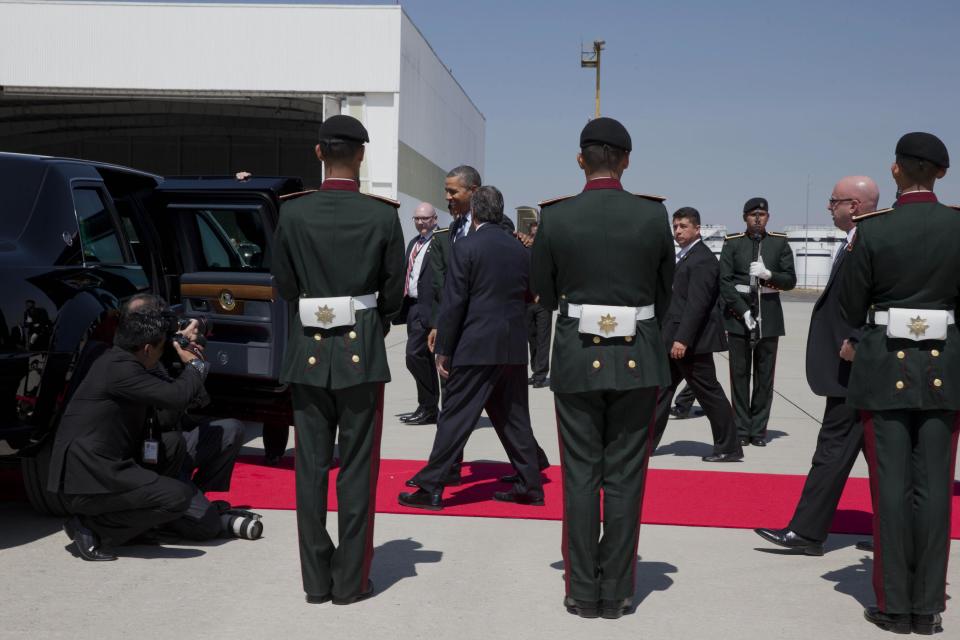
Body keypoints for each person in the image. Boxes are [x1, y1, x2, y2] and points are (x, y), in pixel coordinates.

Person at [531, 117, 674, 619]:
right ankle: (616, 590)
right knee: (626, 476)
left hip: (576, 356)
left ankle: (581, 591)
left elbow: (544, 294)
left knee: (580, 475)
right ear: (627, 161)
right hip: (637, 357)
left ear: (580, 159)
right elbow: (663, 290)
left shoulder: (557, 217)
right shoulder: (653, 217)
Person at [271, 114, 405, 605]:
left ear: (319, 153)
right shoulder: (381, 215)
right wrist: (376, 321)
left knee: (309, 468)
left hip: (308, 349)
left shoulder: (292, 213)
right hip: (361, 349)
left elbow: (283, 285)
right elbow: (393, 292)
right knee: (357, 467)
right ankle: (350, 581)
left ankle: (315, 580)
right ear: (362, 155)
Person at [841, 133, 958, 635]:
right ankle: (928, 604)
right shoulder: (958, 227)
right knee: (934, 489)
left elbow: (850, 303)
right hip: (944, 368)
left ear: (896, 171)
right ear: (942, 173)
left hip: (885, 367)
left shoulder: (873, 230)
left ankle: (893, 603)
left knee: (890, 486)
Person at [398, 186, 545, 510]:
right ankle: (529, 484)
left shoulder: (465, 247)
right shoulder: (521, 250)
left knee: (454, 415)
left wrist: (444, 350)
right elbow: (531, 294)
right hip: (513, 345)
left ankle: (431, 486)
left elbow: (454, 303)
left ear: (475, 213)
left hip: (476, 345)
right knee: (515, 416)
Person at [754, 176, 878, 556]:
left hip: (857, 366)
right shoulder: (854, 241)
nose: (829, 206)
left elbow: (875, 299)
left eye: (834, 200)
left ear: (854, 205)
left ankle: (809, 531)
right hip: (849, 369)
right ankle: (819, 531)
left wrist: (858, 342)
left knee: (840, 451)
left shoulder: (871, 242)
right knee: (860, 454)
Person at [47, 305, 209, 561]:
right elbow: (176, 396)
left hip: (101, 466)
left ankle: (133, 527)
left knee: (172, 444)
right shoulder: (121, 370)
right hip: (89, 482)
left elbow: (168, 406)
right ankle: (91, 528)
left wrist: (179, 340)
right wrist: (196, 365)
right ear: (146, 349)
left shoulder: (118, 358)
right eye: (160, 347)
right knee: (178, 497)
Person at [652, 207, 742, 462]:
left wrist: (683, 339)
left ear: (697, 229)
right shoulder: (684, 257)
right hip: (675, 340)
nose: (678, 231)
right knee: (660, 391)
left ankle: (729, 447)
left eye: (683, 226)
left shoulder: (702, 260)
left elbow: (697, 304)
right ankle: (646, 445)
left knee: (709, 394)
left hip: (691, 343)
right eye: (675, 226)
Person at [719, 198, 796, 446]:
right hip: (739, 317)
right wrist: (742, 310)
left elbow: (790, 280)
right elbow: (725, 283)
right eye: (753, 214)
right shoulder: (733, 244)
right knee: (739, 376)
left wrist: (769, 275)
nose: (758, 218)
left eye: (762, 214)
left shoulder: (779, 243)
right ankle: (741, 429)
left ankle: (759, 430)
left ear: (768, 217)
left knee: (764, 377)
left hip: (768, 316)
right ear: (745, 217)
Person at [397, 202, 441, 425]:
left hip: (429, 309)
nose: (421, 222)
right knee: (420, 358)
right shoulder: (414, 243)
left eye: (425, 218)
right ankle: (428, 406)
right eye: (417, 218)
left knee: (414, 356)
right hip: (412, 307)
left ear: (434, 219)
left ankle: (429, 406)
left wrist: (437, 317)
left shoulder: (440, 242)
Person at [525, 221, 551, 388]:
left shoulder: (548, 253)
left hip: (544, 302)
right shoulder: (523, 250)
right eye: (532, 234)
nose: (535, 238)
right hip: (527, 302)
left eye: (537, 235)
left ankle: (541, 374)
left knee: (543, 339)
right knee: (532, 339)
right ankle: (535, 370)